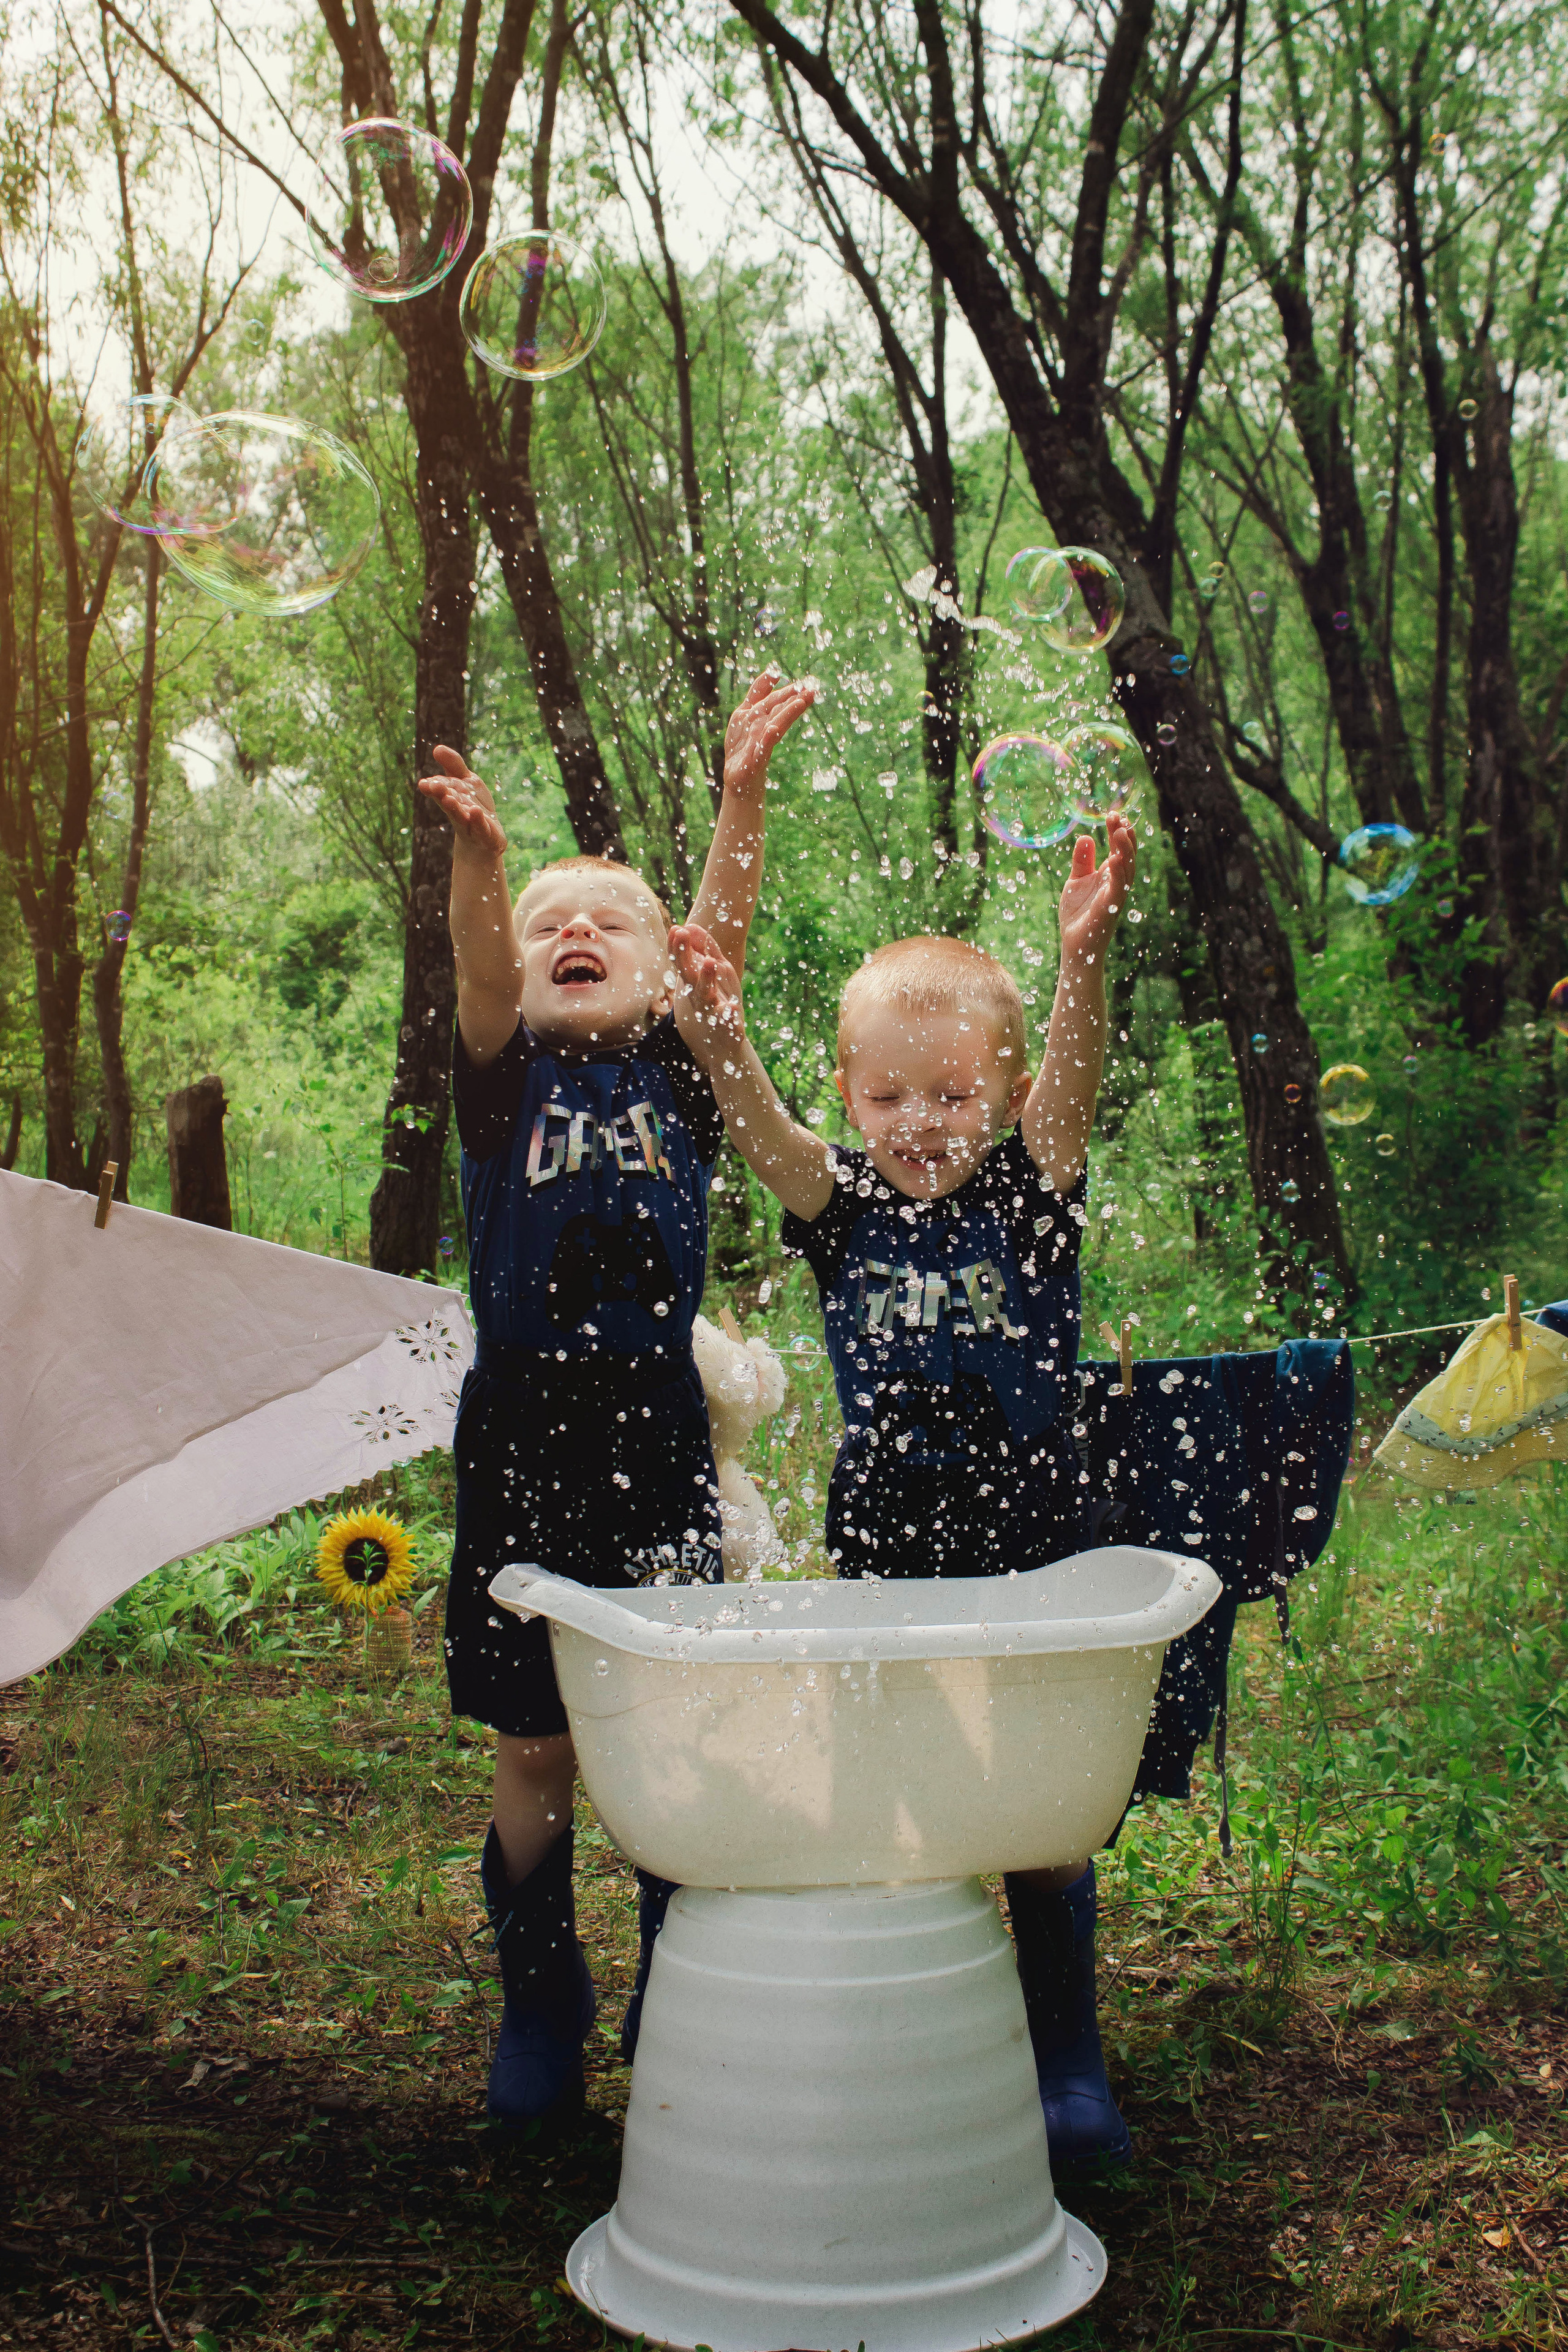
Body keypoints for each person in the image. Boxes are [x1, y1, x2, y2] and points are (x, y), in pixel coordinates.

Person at [668, 814, 1139, 2163]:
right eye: (887, 1098)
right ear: (850, 1094)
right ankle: (912, 2028)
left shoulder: (1030, 1196)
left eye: (950, 1095)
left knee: (1037, 1810)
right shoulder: (839, 1206)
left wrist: (1079, 965)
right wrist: (714, 1027)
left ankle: (1065, 2053)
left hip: (1033, 1545)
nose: (919, 1123)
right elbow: (754, 1121)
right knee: (899, 1788)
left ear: (995, 1095)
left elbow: (1074, 1082)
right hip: (884, 1538)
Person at [420, 668, 815, 2132]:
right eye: (546, 925)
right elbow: (470, 963)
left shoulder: (680, 1071)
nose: (573, 933)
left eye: (612, 922)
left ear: (661, 966)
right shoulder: (498, 1079)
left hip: (653, 1438)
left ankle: (669, 1969)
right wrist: (481, 865)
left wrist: (740, 798)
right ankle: (540, 1993)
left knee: (660, 1729)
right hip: (519, 1439)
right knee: (535, 1744)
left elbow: (719, 935)